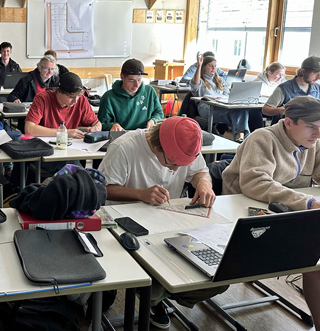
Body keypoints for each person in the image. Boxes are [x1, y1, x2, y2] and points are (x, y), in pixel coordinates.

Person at [98, 116, 222, 328]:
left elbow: (200, 172)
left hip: (168, 221)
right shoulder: (124, 147)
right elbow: (104, 189)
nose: (175, 170)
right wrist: (140, 194)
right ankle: (154, 295)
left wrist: (204, 184)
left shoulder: (186, 143)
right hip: (126, 223)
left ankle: (157, 296)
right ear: (157, 146)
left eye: (181, 165)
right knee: (161, 272)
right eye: (172, 163)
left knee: (219, 276)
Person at [221, 96, 320, 326]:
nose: (317, 134)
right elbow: (256, 183)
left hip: (285, 213)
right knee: (314, 262)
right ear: (288, 122)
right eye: (311, 127)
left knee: (315, 262)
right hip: (243, 216)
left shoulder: (313, 142)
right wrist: (307, 202)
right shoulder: (263, 138)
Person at [191, 54, 249, 142]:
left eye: (215, 66)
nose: (213, 68)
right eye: (210, 66)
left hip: (222, 106)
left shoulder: (220, 80)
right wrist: (199, 65)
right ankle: (242, 138)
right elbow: (195, 85)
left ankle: (240, 137)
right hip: (207, 108)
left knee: (242, 111)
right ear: (203, 67)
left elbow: (228, 94)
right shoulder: (200, 80)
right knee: (237, 115)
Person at [98, 58, 163, 131]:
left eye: (139, 80)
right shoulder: (108, 97)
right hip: (122, 135)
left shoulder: (150, 91)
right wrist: (112, 125)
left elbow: (159, 113)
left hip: (145, 134)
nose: (136, 85)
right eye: (131, 80)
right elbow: (102, 123)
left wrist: (153, 120)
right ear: (122, 77)